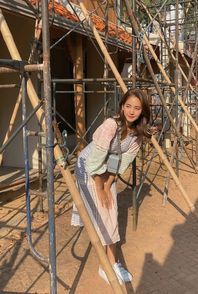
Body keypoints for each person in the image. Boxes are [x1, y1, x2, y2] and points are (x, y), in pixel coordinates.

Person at [71, 88, 150, 284]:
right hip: (87, 167)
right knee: (104, 213)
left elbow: (121, 162)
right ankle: (107, 266)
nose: (131, 111)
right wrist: (100, 188)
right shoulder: (110, 125)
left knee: (111, 212)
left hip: (107, 168)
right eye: (128, 106)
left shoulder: (137, 134)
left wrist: (108, 185)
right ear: (122, 106)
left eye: (137, 108)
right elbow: (93, 162)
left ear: (143, 111)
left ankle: (111, 264)